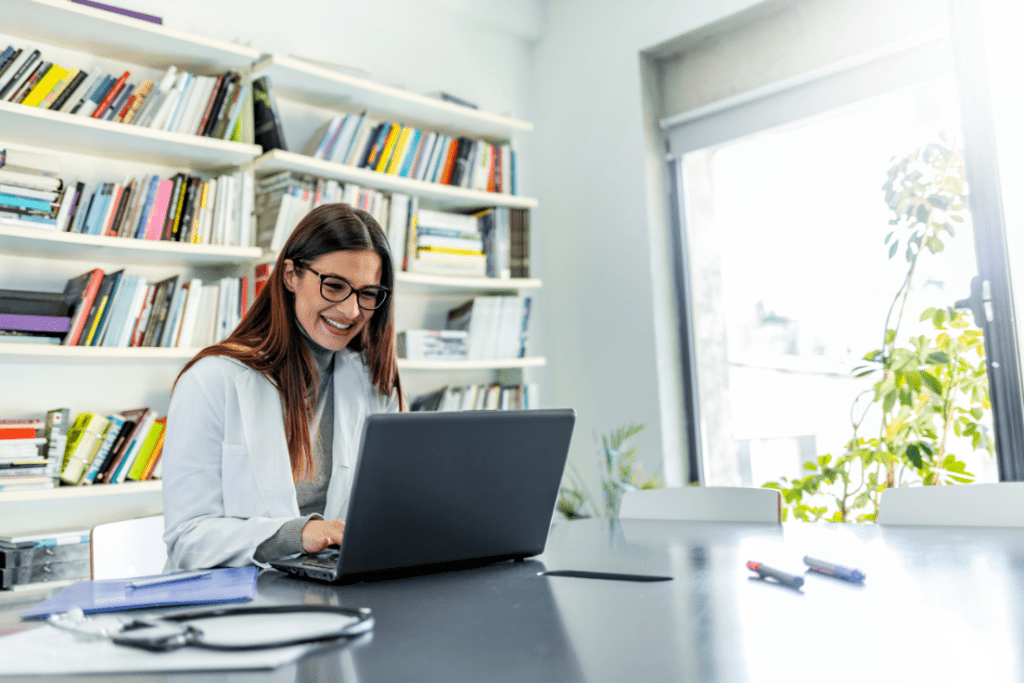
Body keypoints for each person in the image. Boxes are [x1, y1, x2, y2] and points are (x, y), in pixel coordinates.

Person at [162, 203, 405, 570]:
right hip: (239, 602)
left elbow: (387, 507)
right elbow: (187, 540)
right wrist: (300, 534)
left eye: (367, 294)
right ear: (291, 275)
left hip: (332, 589)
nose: (352, 311)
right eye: (335, 286)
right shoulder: (211, 380)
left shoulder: (373, 383)